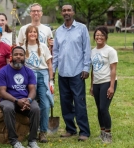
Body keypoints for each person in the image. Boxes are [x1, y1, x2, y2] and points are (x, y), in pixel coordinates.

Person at [52, 5, 91, 141]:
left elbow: (87, 49)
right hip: (63, 73)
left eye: (69, 10)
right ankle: (70, 129)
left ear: (73, 12)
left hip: (77, 73)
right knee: (65, 103)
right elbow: (55, 52)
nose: (67, 12)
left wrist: (86, 68)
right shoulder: (58, 31)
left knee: (79, 102)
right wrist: (53, 70)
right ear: (61, 13)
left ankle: (84, 131)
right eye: (64, 10)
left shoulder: (82, 28)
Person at [0, 46, 40, 148]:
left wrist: (29, 100)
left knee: (36, 109)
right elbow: (2, 92)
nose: (18, 57)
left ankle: (32, 140)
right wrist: (16, 101)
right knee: (8, 108)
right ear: (11, 56)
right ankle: (14, 141)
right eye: (16, 54)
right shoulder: (3, 71)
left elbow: (32, 90)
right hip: (8, 100)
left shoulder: (29, 71)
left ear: (25, 57)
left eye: (21, 55)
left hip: (25, 99)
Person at [22, 25, 54, 143]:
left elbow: (49, 64)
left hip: (43, 75)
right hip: (29, 76)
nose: (32, 34)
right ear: (27, 34)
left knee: (45, 105)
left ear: (37, 34)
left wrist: (51, 80)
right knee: (30, 104)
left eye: (34, 32)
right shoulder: (23, 48)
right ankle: (31, 129)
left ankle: (43, 132)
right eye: (30, 32)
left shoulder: (43, 47)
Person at [90, 26, 118, 143]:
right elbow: (92, 69)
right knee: (98, 109)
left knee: (103, 108)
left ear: (106, 37)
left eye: (101, 35)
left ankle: (108, 135)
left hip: (107, 82)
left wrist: (111, 86)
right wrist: (91, 85)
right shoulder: (92, 51)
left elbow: (113, 69)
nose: (99, 37)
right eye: (97, 35)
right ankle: (102, 133)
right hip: (97, 83)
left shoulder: (110, 51)